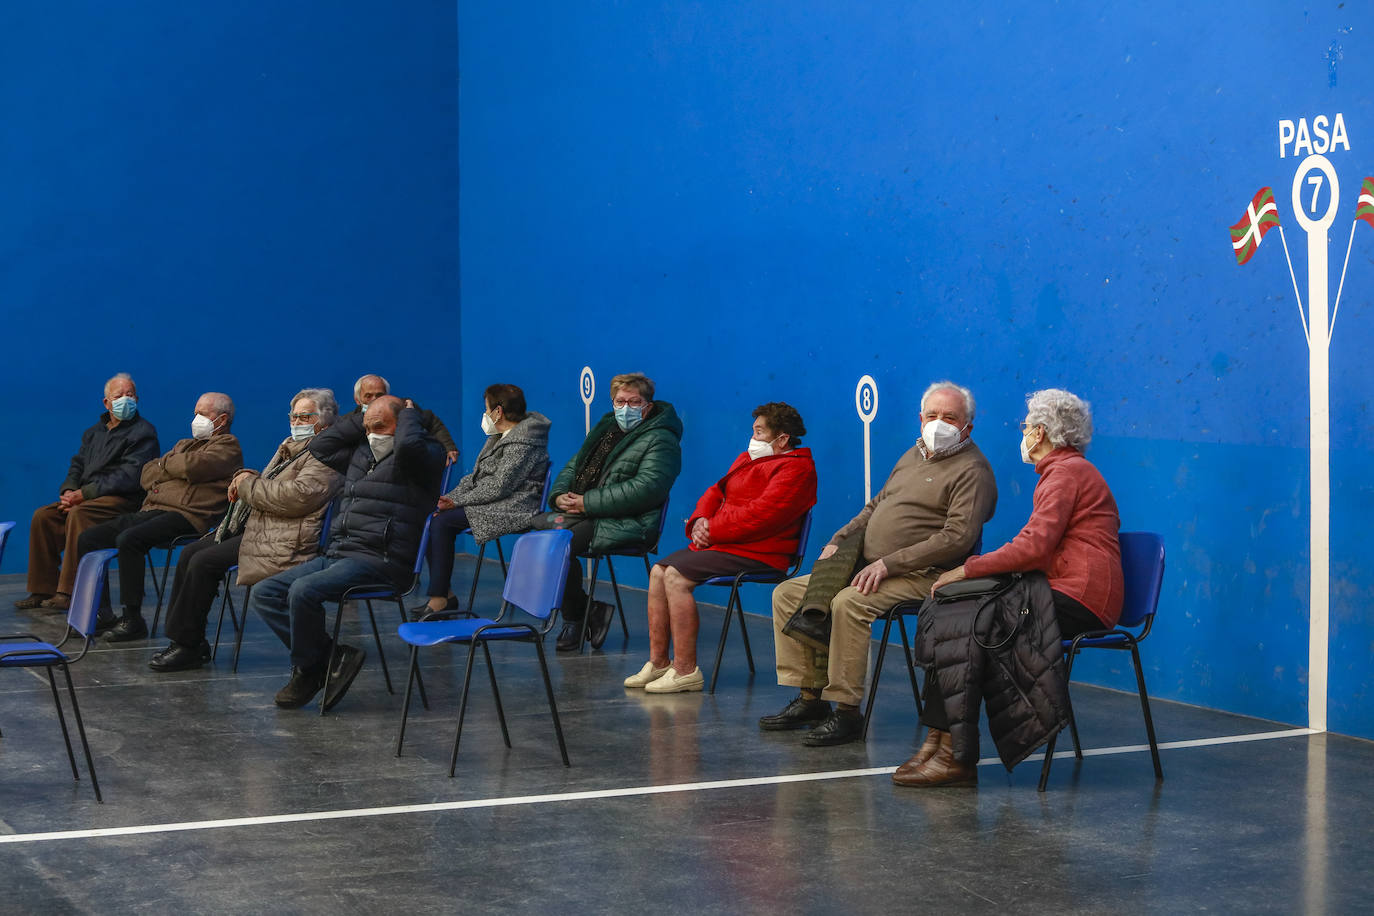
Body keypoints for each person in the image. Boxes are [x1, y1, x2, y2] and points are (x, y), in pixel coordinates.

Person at [893, 388, 1122, 788]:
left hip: (1080, 598)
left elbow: (1034, 548)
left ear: (1043, 431)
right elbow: (1035, 545)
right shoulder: (1062, 472)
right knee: (953, 614)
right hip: (1058, 589)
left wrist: (968, 570)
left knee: (973, 623)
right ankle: (939, 740)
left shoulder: (1066, 473)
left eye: (1028, 425)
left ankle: (955, 754)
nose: (1025, 432)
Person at [761, 381, 997, 746]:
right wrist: (839, 539)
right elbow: (875, 507)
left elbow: (958, 538)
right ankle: (812, 698)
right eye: (932, 415)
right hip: (872, 564)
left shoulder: (973, 470)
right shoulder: (912, 455)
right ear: (920, 419)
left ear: (969, 425)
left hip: (929, 575)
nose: (939, 423)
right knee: (788, 593)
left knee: (849, 603)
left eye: (950, 417)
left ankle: (847, 711)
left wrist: (889, 564)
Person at [248, 395, 444, 710]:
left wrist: (410, 415)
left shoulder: (424, 457)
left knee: (303, 591)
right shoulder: (361, 453)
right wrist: (364, 417)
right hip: (341, 553)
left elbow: (408, 446)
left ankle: (307, 671)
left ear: (404, 425)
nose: (372, 434)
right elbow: (319, 446)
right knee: (264, 592)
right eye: (367, 428)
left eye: (380, 426)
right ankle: (330, 658)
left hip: (383, 560)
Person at [625, 402, 817, 694]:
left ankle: (685, 671)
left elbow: (762, 516)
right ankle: (659, 663)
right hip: (727, 543)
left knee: (675, 576)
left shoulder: (798, 470)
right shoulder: (745, 459)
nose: (753, 438)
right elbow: (716, 491)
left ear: (782, 439)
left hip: (761, 553)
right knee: (658, 571)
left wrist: (712, 530)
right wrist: (701, 520)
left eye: (760, 432)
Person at [148, 389, 344, 672]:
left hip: (289, 536)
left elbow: (297, 497)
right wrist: (249, 476)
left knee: (204, 562)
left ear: (324, 422)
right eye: (294, 416)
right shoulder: (292, 445)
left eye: (305, 416)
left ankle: (188, 646)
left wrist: (247, 486)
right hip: (267, 528)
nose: (297, 422)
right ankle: (184, 640)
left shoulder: (328, 455)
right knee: (192, 552)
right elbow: (273, 486)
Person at [75, 392, 243, 641]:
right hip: (154, 509)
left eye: (203, 414)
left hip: (190, 516)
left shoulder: (228, 447)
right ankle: (101, 613)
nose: (196, 418)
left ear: (222, 419)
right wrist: (171, 466)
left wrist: (168, 466)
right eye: (195, 412)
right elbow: (146, 473)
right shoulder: (184, 445)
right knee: (89, 538)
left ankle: (132, 619)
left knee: (130, 539)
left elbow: (189, 467)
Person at [547, 373, 683, 652]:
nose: (625, 408)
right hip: (590, 513)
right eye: (620, 401)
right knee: (541, 536)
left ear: (648, 405)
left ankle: (574, 619)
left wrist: (588, 502)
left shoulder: (662, 439)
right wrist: (560, 495)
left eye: (634, 402)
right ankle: (588, 610)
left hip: (630, 521)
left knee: (559, 544)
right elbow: (574, 466)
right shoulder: (606, 429)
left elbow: (646, 489)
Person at [18, 373, 160, 611]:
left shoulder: (144, 432)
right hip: (86, 497)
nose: (126, 399)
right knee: (43, 517)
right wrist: (69, 490)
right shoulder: (94, 432)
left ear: (137, 398)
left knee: (80, 514)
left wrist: (84, 495)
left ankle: (69, 592)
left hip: (122, 501)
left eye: (130, 394)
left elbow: (130, 476)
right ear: (106, 402)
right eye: (119, 395)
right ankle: (42, 588)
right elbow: (77, 465)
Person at [420, 384, 550, 614]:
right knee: (433, 513)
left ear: (498, 412)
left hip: (515, 505)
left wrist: (458, 503)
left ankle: (438, 597)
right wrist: (449, 498)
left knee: (442, 522)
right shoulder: (500, 436)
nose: (485, 414)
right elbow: (477, 478)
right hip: (494, 501)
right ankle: (445, 594)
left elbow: (500, 485)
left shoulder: (523, 442)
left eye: (486, 409)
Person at [352, 374, 459, 465]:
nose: (374, 400)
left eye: (379, 395)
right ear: (358, 400)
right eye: (368, 396)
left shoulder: (403, 408)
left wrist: (448, 447)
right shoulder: (350, 422)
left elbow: (432, 423)